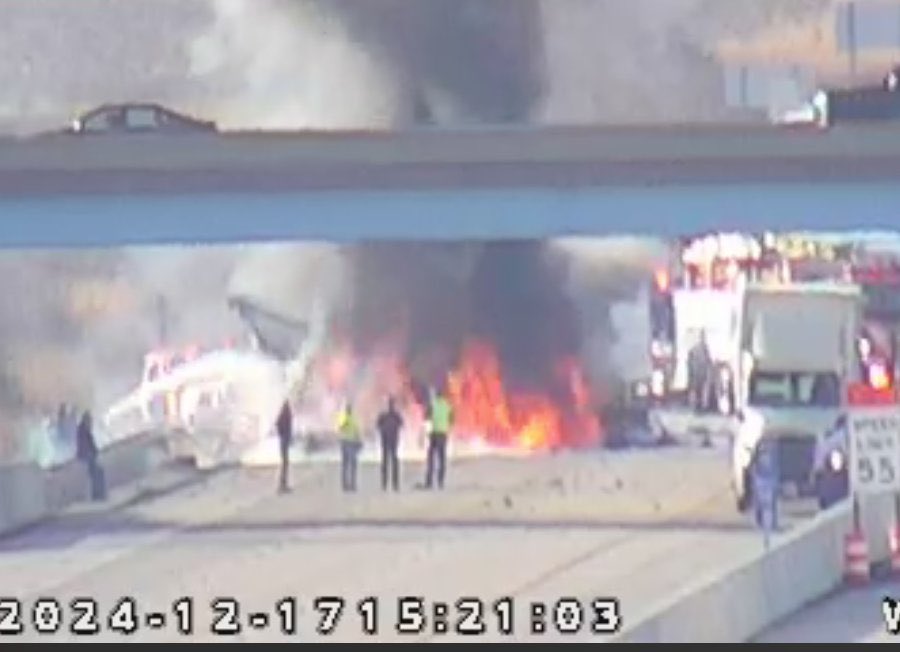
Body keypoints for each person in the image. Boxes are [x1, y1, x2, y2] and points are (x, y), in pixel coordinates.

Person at [424, 387, 453, 490]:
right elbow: (451, 420)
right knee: (442, 459)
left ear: (436, 396)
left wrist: (426, 433)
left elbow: (427, 418)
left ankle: (429, 482)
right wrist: (446, 428)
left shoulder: (432, 405)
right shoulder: (447, 406)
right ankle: (440, 482)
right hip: (443, 435)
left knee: (431, 458)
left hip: (434, 434)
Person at [75, 411, 106, 502]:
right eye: (90, 421)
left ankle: (98, 494)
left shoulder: (84, 431)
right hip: (85, 458)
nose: (91, 423)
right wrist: (93, 454)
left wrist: (95, 452)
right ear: (86, 420)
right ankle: (98, 495)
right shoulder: (83, 431)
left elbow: (92, 445)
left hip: (87, 457)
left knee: (99, 472)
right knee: (98, 473)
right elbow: (86, 446)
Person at [376, 396, 403, 492]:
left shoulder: (384, 416)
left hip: (386, 441)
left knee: (386, 463)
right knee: (393, 462)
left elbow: (378, 425)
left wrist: (383, 431)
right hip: (393, 441)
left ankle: (385, 484)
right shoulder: (396, 416)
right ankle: (394, 484)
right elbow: (401, 425)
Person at [336, 402, 362, 492]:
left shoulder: (352, 419)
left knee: (349, 464)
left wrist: (359, 440)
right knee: (348, 464)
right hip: (347, 443)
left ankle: (351, 484)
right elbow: (340, 427)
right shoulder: (346, 418)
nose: (349, 410)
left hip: (350, 443)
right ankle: (347, 484)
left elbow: (357, 431)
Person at [687, 331, 713, 413]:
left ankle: (700, 406)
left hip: (700, 372)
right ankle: (699, 406)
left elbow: (709, 361)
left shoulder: (704, 348)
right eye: (703, 337)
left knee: (700, 390)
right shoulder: (697, 348)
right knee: (699, 390)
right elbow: (690, 361)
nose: (703, 338)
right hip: (698, 372)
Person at [275, 400, 293, 494]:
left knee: (285, 462)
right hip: (284, 440)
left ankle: (283, 484)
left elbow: (278, 425)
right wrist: (285, 435)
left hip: (284, 439)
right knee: (285, 462)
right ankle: (282, 485)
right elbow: (281, 426)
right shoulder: (285, 415)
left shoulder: (283, 414)